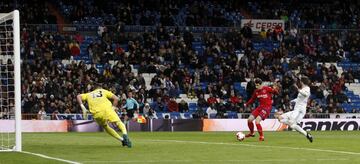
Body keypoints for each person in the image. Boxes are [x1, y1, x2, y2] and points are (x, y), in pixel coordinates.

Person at [77, 83, 131, 148]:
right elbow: (116, 99)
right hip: (107, 110)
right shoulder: (103, 91)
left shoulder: (89, 94)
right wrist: (113, 109)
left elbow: (78, 96)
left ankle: (122, 140)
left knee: (105, 126)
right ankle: (125, 134)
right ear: (100, 87)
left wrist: (83, 108)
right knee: (118, 122)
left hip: (97, 114)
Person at [275, 76, 313, 143]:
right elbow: (299, 99)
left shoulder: (307, 88)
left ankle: (306, 134)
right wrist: (292, 101)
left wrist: (298, 89)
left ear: (302, 81)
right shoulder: (302, 89)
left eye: (300, 80)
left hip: (300, 110)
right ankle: (307, 135)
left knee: (291, 123)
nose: (300, 82)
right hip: (296, 110)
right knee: (280, 119)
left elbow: (305, 94)